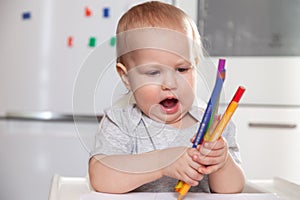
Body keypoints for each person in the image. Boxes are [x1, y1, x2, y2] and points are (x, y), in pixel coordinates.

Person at [89, 1, 245, 194]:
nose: (170, 83)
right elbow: (100, 177)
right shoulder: (121, 122)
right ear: (126, 77)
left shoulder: (216, 126)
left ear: (195, 65)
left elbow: (234, 190)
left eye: (182, 69)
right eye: (153, 72)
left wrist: (221, 162)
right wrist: (161, 163)